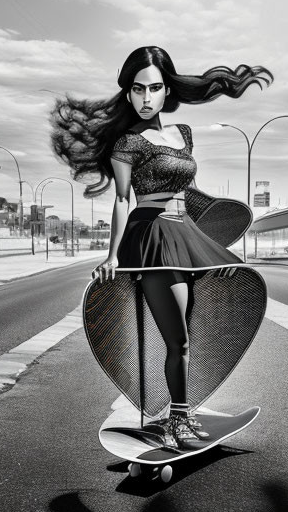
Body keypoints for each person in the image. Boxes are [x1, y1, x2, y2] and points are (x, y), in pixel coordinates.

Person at [50, 46, 272, 446]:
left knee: (190, 332)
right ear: (128, 92)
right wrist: (112, 255)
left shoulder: (182, 134)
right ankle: (177, 420)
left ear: (168, 88)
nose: (146, 97)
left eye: (154, 88)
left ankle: (180, 413)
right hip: (151, 238)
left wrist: (214, 242)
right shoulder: (127, 143)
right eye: (138, 89)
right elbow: (122, 200)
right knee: (178, 340)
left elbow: (187, 190)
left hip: (186, 233)